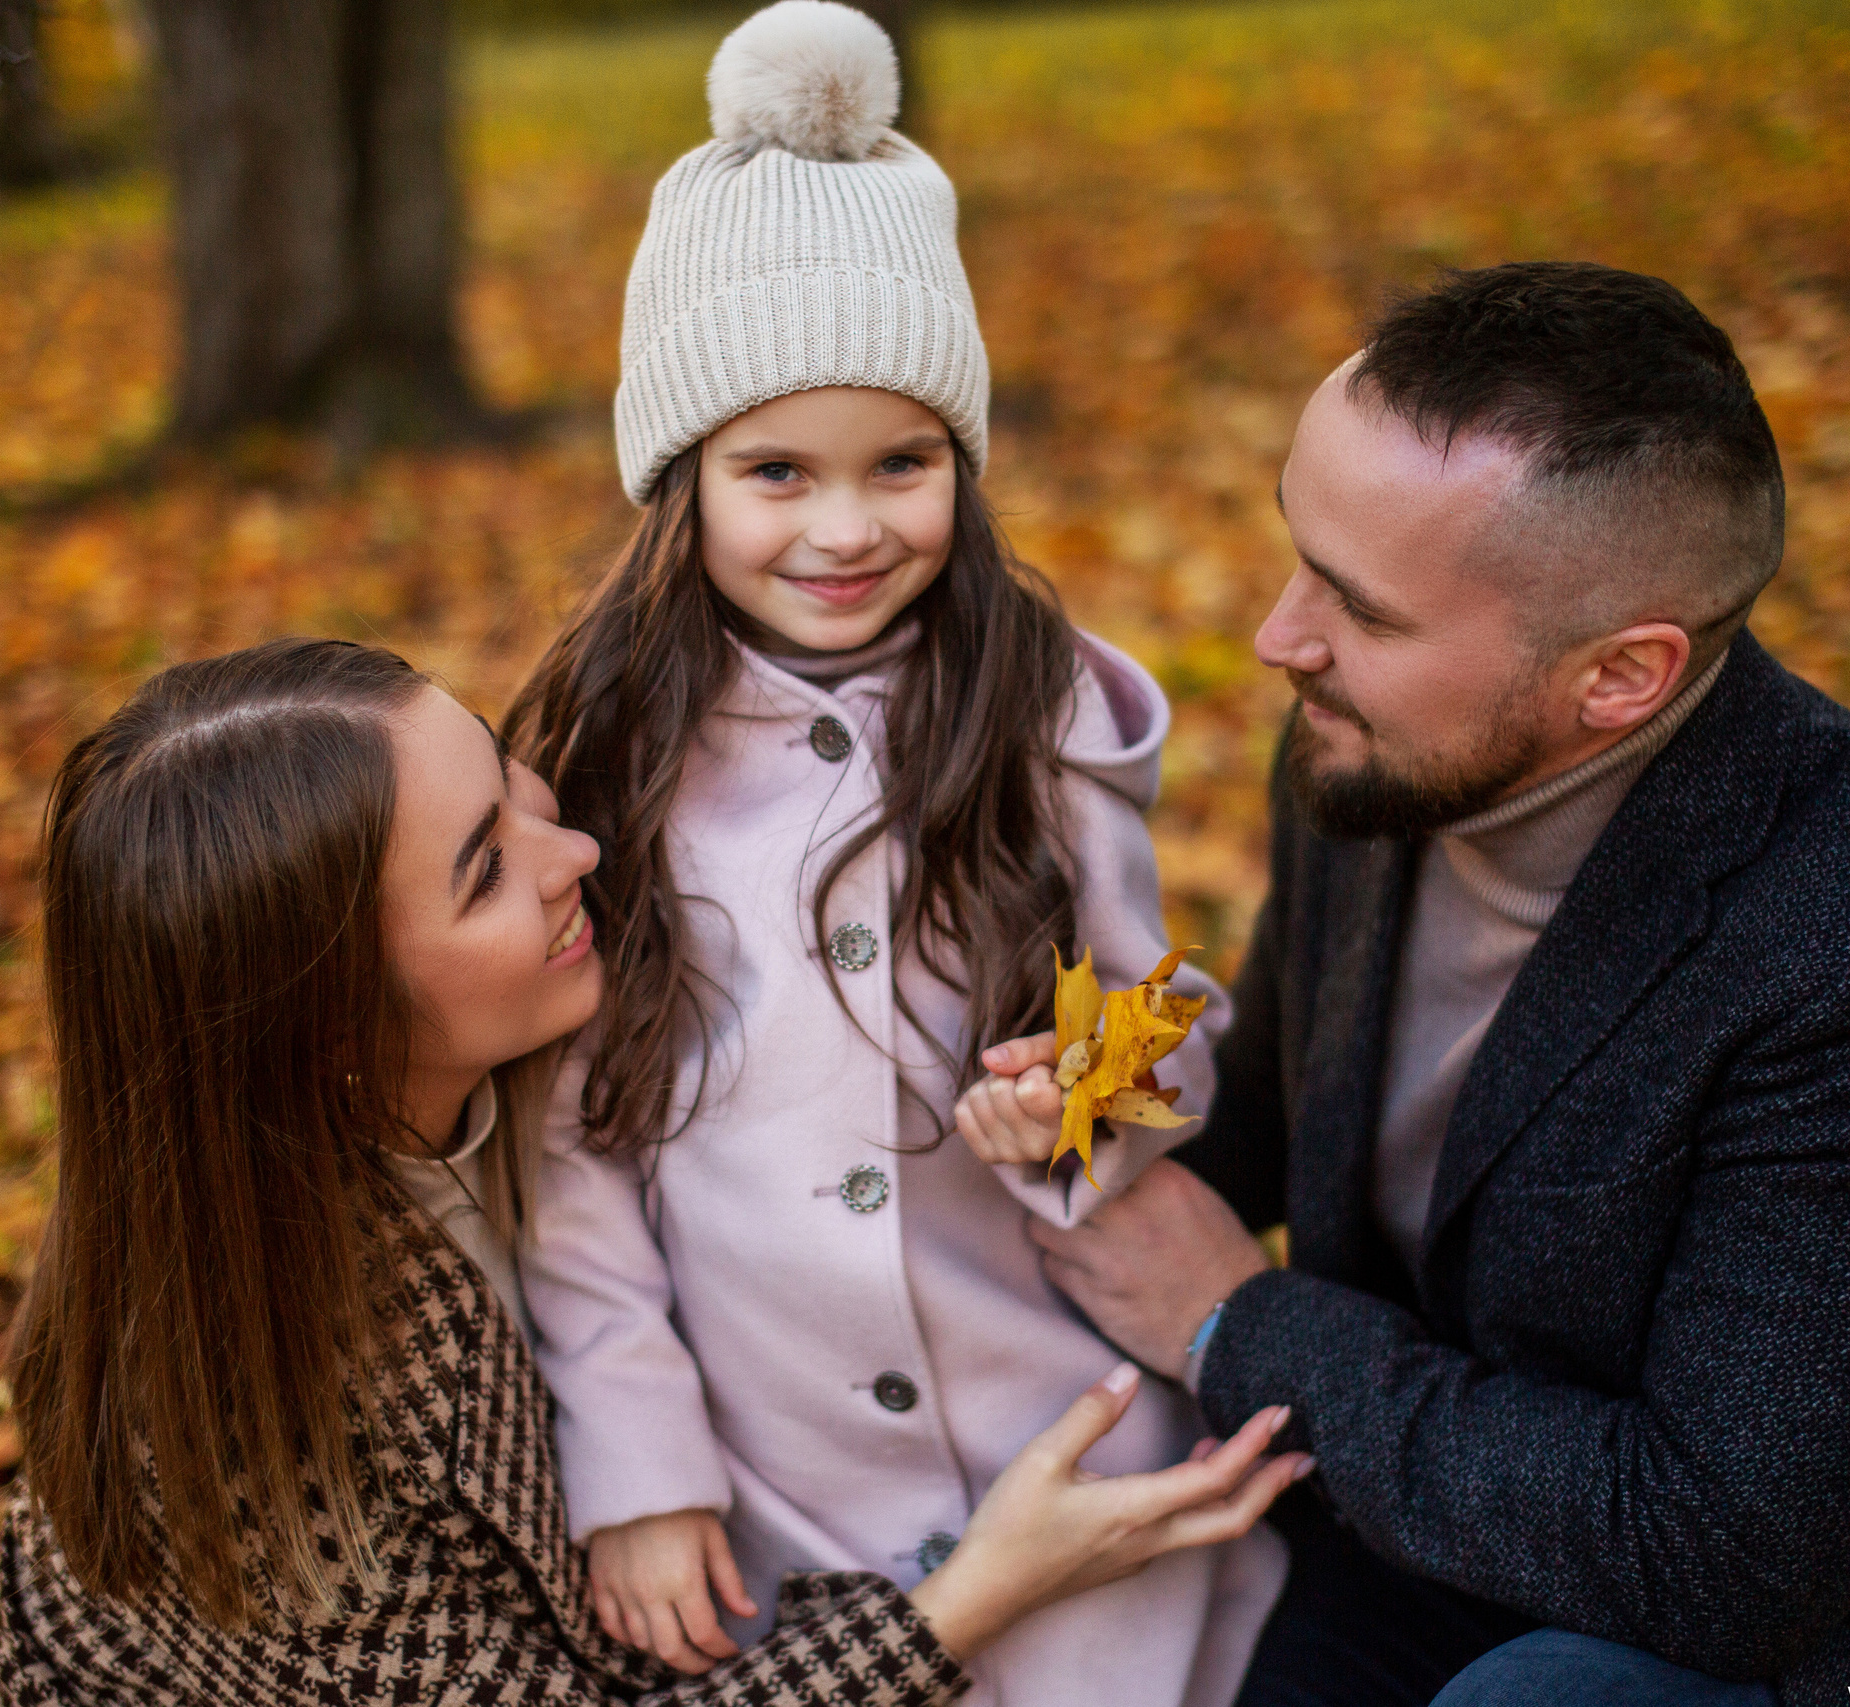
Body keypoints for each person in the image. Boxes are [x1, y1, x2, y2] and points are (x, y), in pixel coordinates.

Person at [1026, 263, 1850, 1704]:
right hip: (1462, 1531)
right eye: (1297, 552)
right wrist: (1066, 1120)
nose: (1279, 637)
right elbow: (1254, 1138)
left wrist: (1236, 1324)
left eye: (1358, 607)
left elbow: (1726, 1557)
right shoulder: (1371, 760)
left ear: (1620, 678)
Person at [0, 636, 1309, 1707]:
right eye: (488, 869)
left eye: (509, 782)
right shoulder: (246, 1413)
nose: (578, 855)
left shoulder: (505, 1080)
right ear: (331, 1019)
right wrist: (978, 1591)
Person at [501, 5, 1286, 1703]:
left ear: (963, 465)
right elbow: (568, 1155)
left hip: (1055, 1437)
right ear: (680, 481)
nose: (847, 529)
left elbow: (1155, 1025)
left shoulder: (1040, 705)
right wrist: (637, 1461)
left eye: (904, 465)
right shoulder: (602, 756)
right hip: (778, 1489)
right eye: (776, 471)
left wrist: (1069, 1097)